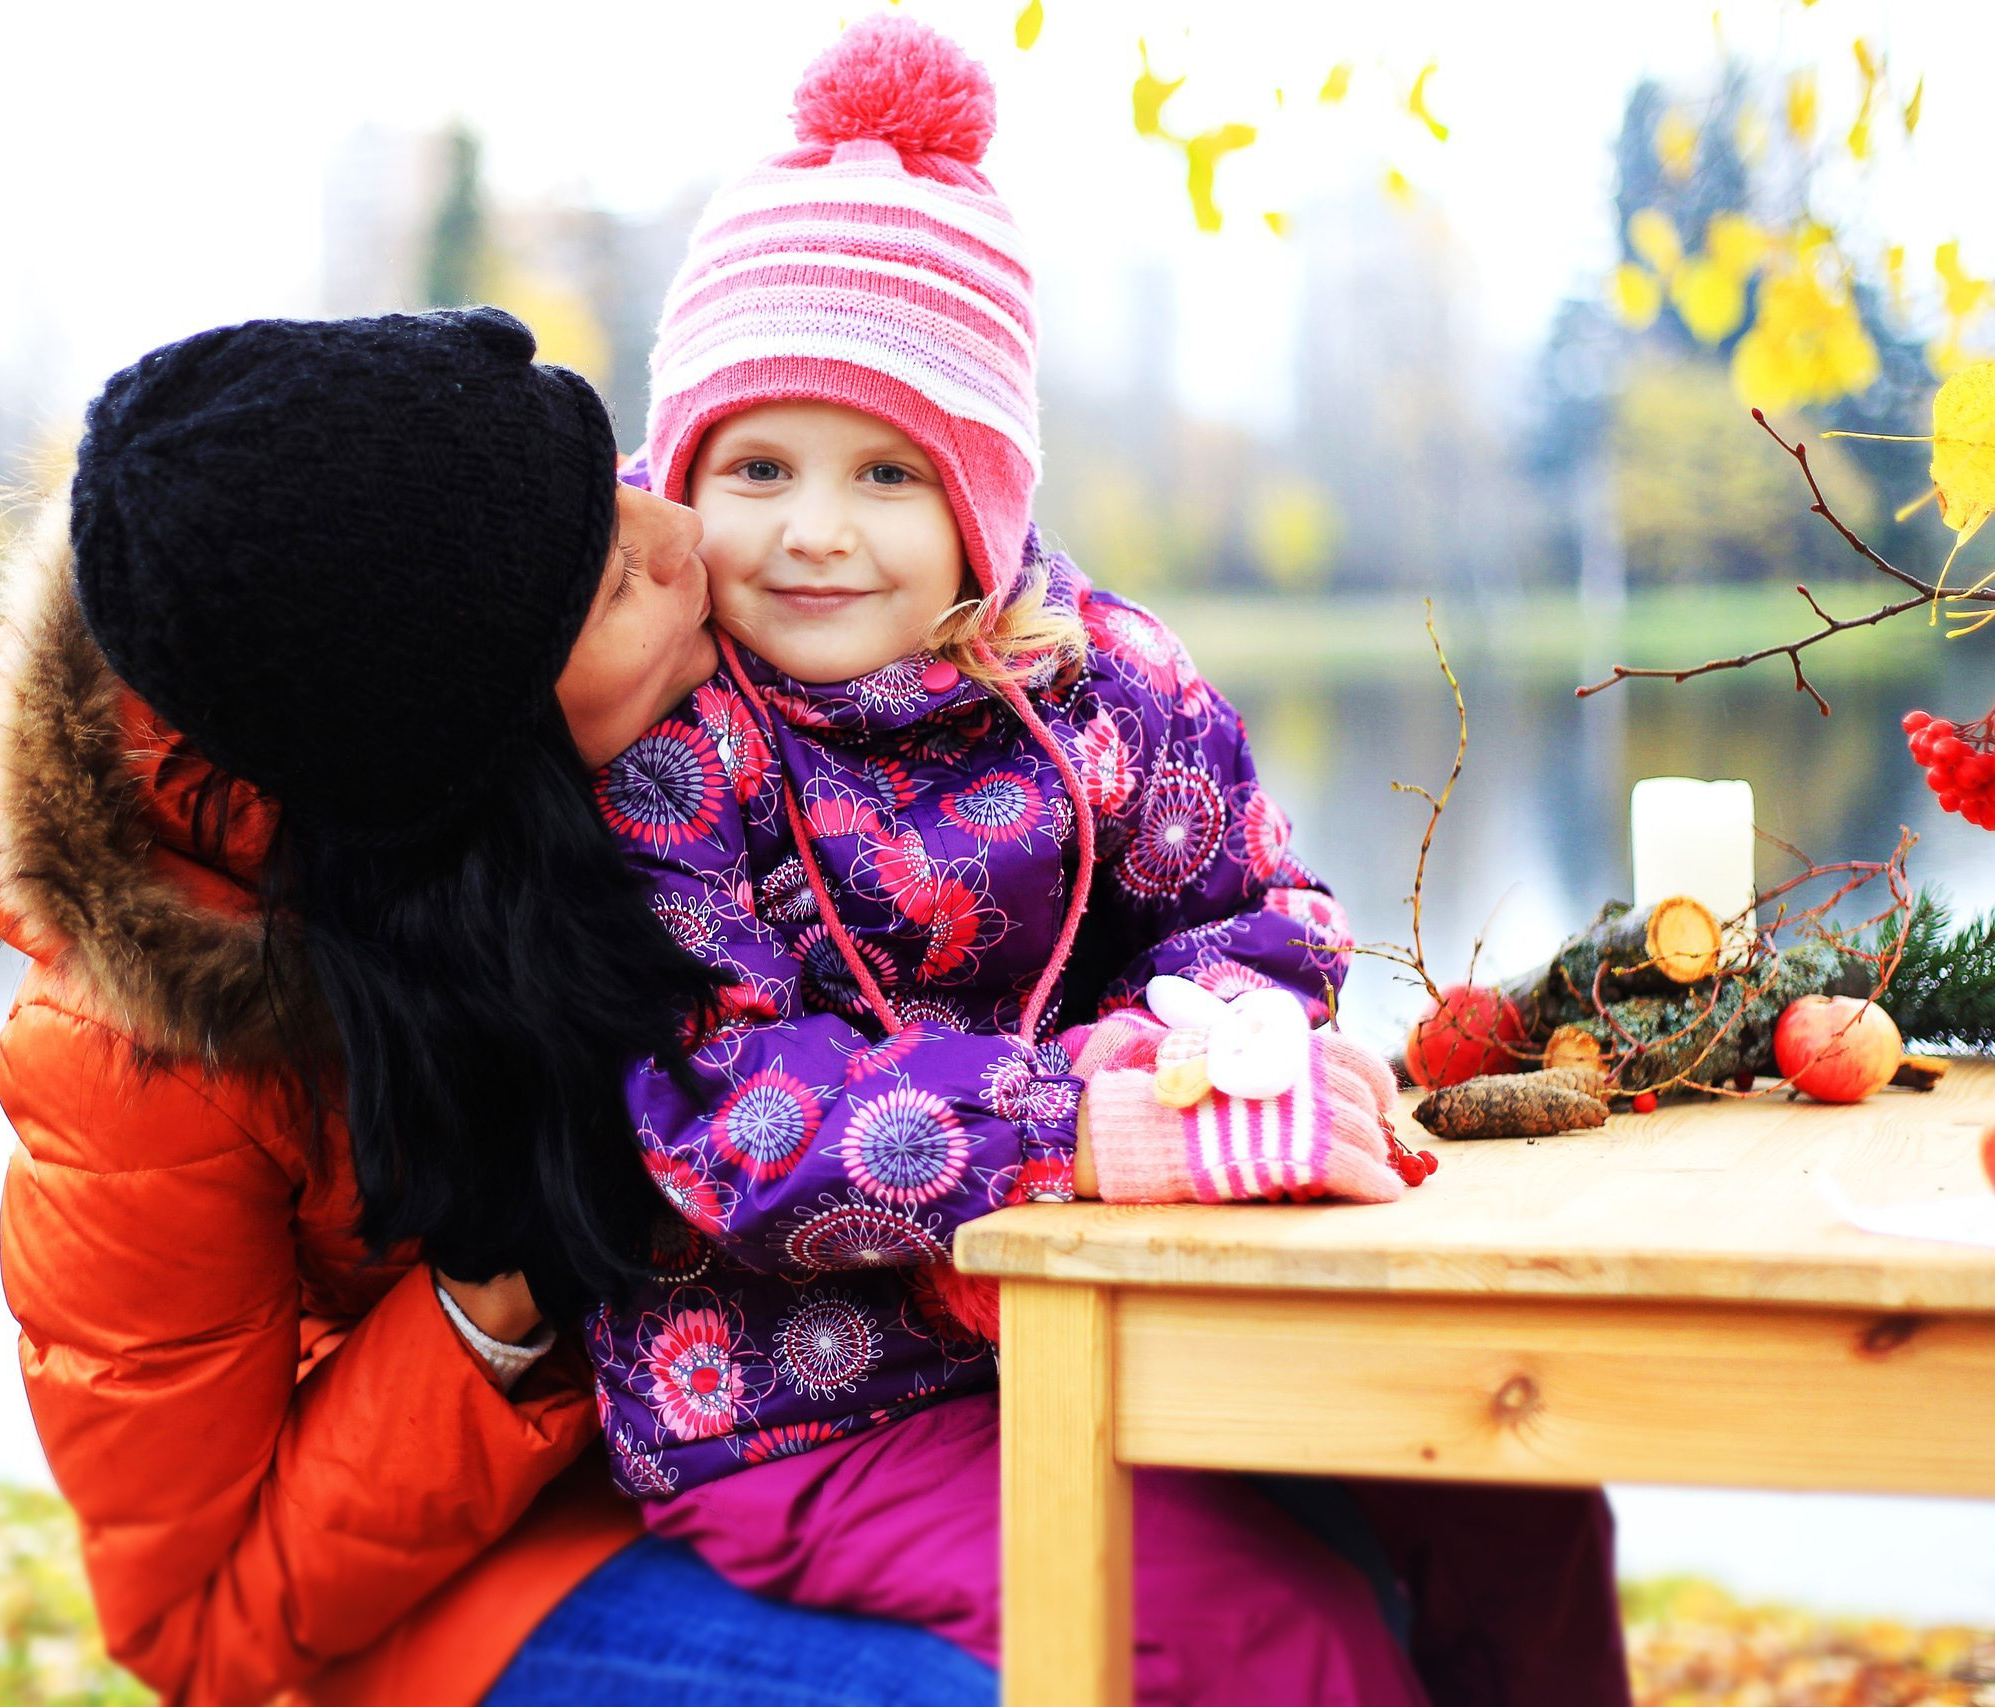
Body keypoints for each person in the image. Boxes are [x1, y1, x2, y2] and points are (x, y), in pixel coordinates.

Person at [577, 17, 1634, 1705]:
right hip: (799, 1395)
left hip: (1135, 1303)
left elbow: (1265, 914)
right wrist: (1089, 1117)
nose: (814, 528)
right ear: (682, 477)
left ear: (983, 495)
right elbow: (728, 1121)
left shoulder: (1098, 681)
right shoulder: (674, 752)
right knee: (1282, 1636)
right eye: (756, 466)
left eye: (888, 471)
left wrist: (1193, 1047)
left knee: (1510, 1492)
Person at [0, 306, 999, 1706]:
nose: (680, 533)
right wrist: (488, 1303)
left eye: (616, 481)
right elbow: (194, 1631)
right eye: (613, 584)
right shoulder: (132, 1061)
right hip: (485, 1573)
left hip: (813, 1435)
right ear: (484, 762)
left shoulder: (654, 695)